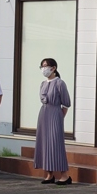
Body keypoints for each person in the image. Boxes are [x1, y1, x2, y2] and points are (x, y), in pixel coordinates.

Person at [34, 57, 72, 185]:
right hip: (43, 114)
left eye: (46, 66)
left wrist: (60, 117)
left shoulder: (60, 83)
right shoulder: (43, 84)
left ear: (53, 68)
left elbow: (66, 103)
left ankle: (65, 175)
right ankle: (49, 174)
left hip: (55, 114)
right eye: (42, 66)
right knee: (44, 143)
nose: (44, 69)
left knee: (56, 144)